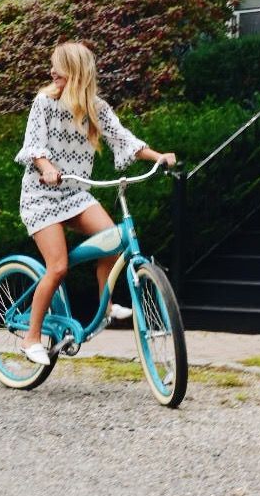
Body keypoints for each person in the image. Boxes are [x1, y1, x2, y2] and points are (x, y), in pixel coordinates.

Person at [15, 41, 175, 366]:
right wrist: (46, 168)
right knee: (58, 267)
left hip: (75, 194)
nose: (51, 72)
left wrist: (159, 156)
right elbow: (34, 146)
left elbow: (123, 139)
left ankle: (107, 303)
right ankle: (31, 338)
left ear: (74, 72)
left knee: (115, 240)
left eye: (57, 67)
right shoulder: (44, 103)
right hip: (41, 195)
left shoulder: (96, 108)